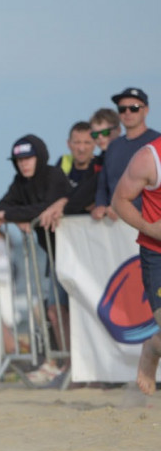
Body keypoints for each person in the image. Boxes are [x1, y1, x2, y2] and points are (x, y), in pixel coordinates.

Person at [0, 135, 71, 385]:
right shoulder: (19, 182)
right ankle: (64, 361)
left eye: (28, 158)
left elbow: (45, 207)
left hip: (72, 252)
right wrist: (19, 217)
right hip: (52, 254)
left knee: (72, 310)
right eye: (19, 160)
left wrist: (16, 215)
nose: (24, 164)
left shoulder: (54, 175)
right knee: (53, 310)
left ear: (39, 157)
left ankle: (70, 362)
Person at [112, 135, 161, 395]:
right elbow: (119, 200)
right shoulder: (149, 158)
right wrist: (149, 227)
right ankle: (153, 349)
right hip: (157, 252)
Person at [93, 88, 160, 222]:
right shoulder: (113, 146)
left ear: (146, 110)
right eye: (122, 109)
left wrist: (124, 208)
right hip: (115, 226)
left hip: (148, 223)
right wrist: (100, 205)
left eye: (134, 108)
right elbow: (103, 184)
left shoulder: (157, 143)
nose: (127, 112)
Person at [89, 107, 121, 172]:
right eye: (95, 134)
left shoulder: (131, 156)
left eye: (105, 132)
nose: (100, 137)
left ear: (118, 130)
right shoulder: (94, 164)